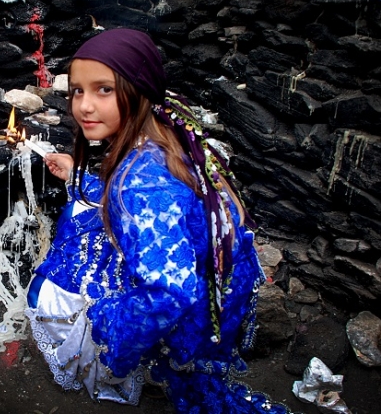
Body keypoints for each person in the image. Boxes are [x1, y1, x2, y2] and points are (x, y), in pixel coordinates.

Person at [25, 28, 296, 413]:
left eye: (104, 89)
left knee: (50, 287)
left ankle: (144, 368)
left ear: (138, 89)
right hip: (220, 292)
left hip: (194, 315)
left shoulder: (141, 181)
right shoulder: (165, 136)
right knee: (81, 214)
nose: (84, 106)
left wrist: (111, 337)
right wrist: (77, 176)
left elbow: (169, 293)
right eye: (78, 90)